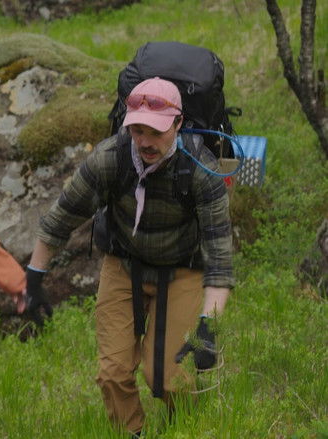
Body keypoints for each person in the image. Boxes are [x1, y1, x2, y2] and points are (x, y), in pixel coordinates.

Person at [25, 77, 233, 436]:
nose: (145, 142)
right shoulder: (111, 159)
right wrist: (33, 278)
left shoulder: (201, 169)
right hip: (124, 265)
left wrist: (208, 325)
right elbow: (61, 218)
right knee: (113, 373)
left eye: (155, 131)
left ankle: (183, 427)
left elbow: (219, 256)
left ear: (178, 124)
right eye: (137, 130)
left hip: (183, 270)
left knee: (168, 377)